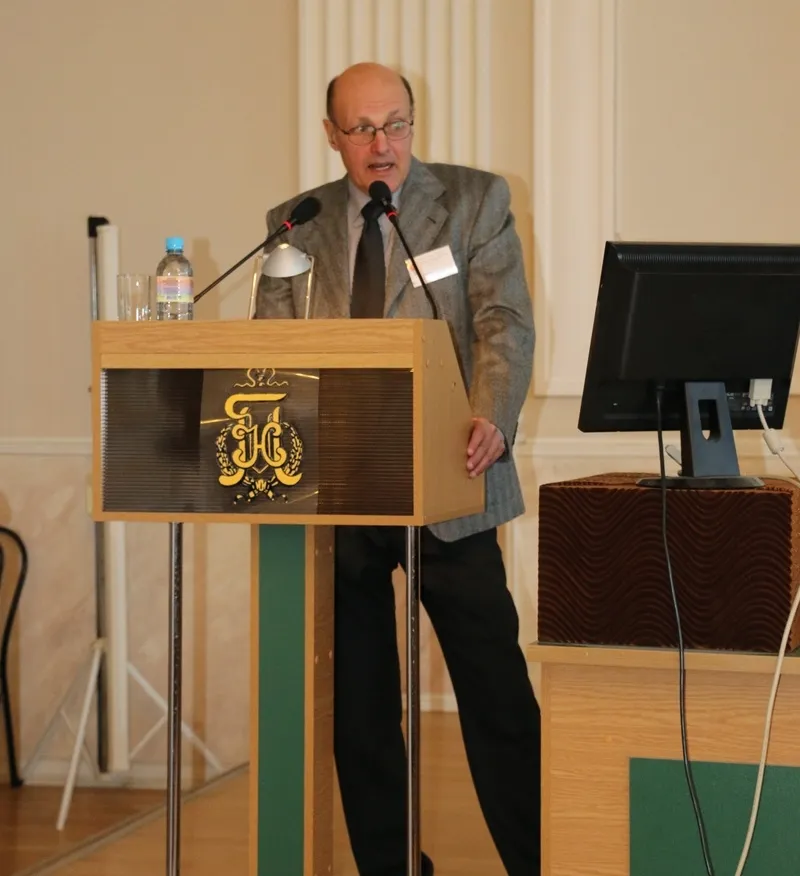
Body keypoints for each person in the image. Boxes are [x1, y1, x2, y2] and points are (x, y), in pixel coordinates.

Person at [256, 62, 540, 876]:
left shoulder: (474, 201)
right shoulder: (295, 224)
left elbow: (502, 321)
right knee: (361, 710)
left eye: (396, 125)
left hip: (452, 480)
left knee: (496, 697)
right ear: (332, 134)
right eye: (363, 129)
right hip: (340, 493)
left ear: (413, 122)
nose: (383, 145)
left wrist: (492, 417)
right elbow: (271, 345)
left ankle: (538, 861)